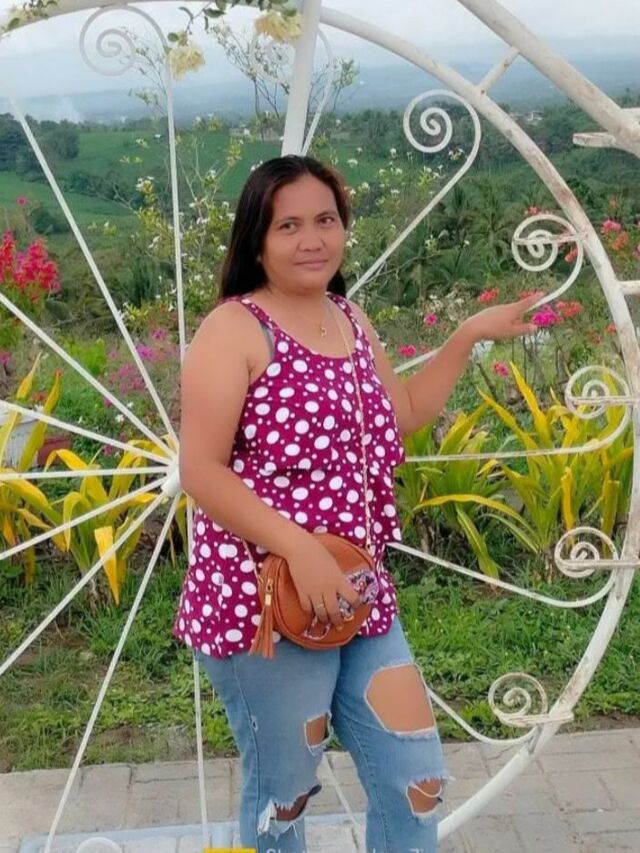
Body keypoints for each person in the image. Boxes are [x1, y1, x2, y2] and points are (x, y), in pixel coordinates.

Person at [175, 154, 539, 853]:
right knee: (284, 799)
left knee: (416, 779)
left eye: (326, 220)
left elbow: (401, 415)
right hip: (266, 604)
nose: (312, 239)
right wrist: (299, 548)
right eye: (288, 225)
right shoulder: (235, 329)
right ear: (257, 239)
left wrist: (467, 334)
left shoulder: (347, 316)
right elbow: (201, 469)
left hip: (358, 592)